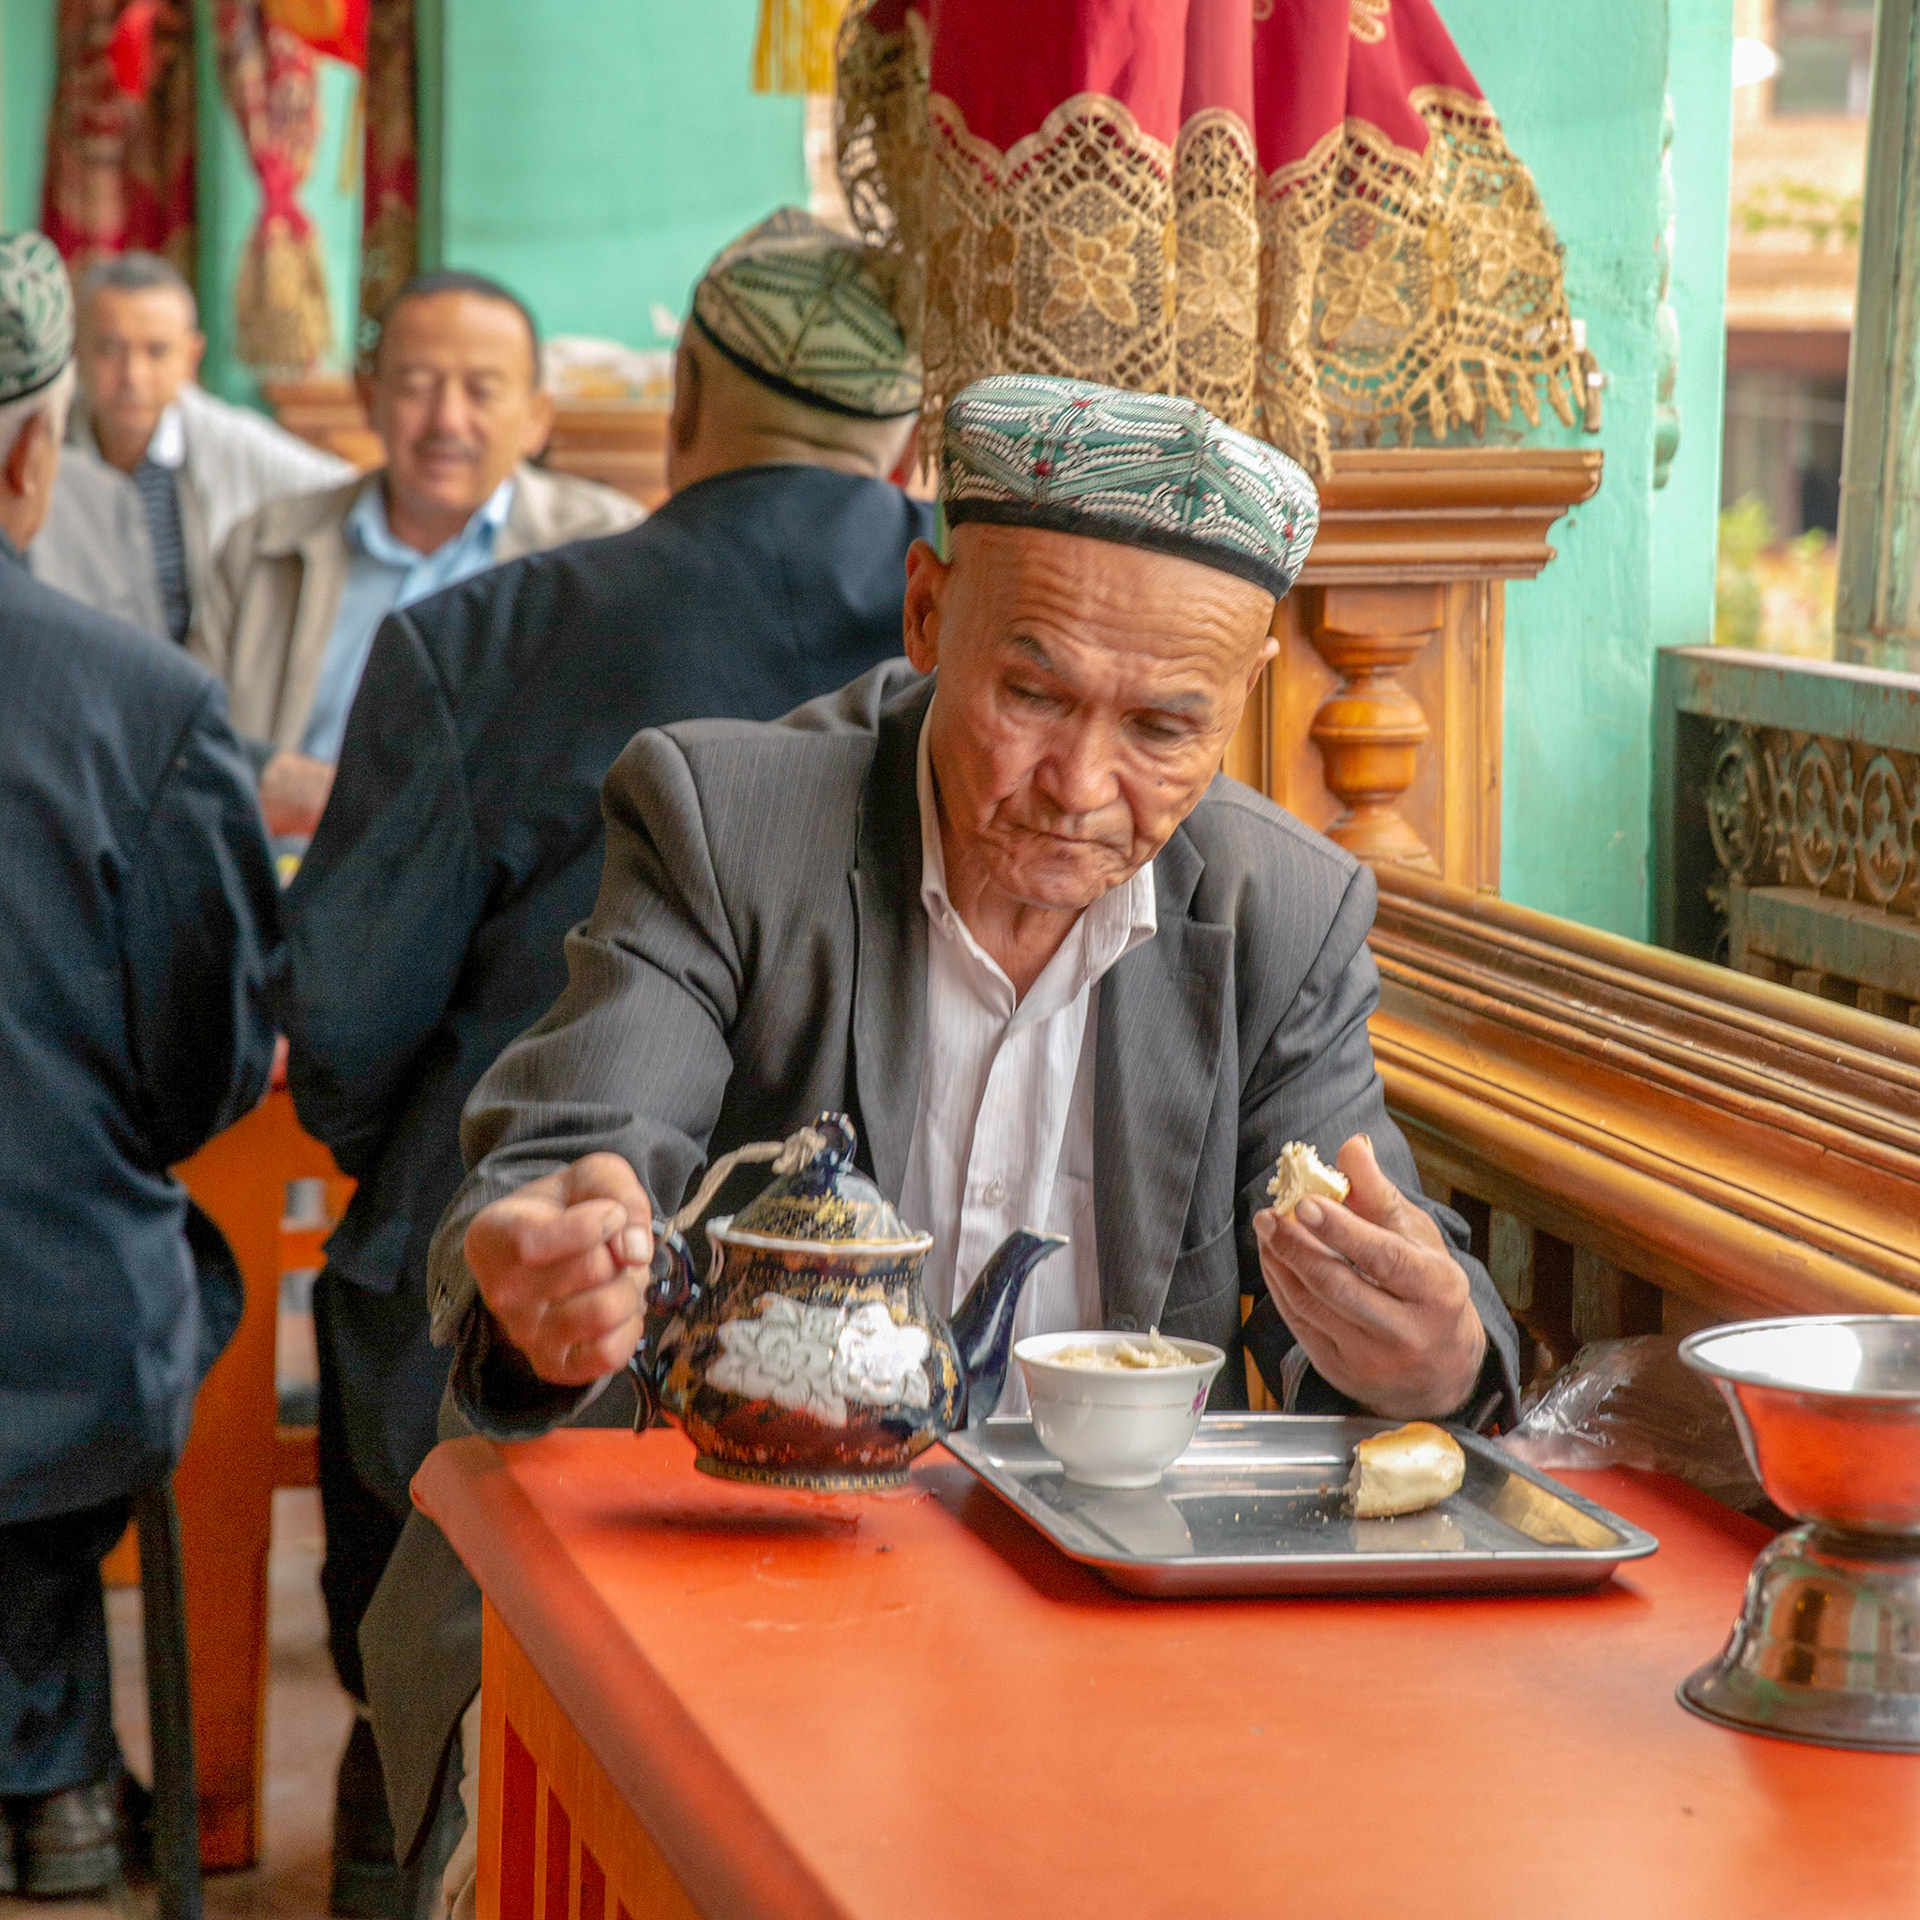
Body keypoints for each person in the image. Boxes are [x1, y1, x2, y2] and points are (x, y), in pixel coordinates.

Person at [361, 373, 1523, 1907]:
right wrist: (550, 1267)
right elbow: (578, 1142)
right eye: (1031, 694)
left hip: (1093, 1628)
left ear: (1240, 701)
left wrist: (1422, 1346)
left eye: (1166, 726)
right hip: (713, 1587)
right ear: (926, 616)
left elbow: (1385, 1295)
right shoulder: (729, 817)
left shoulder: (1281, 913)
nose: (1081, 787)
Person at [279, 208, 927, 1918]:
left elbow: (341, 1034)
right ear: (913, 447)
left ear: (686, 398)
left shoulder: (484, 637)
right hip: (906, 1367)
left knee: (431, 1717)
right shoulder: (979, 633)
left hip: (497, 1349)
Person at [0, 233, 279, 1897]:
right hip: (45, 1356)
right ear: (34, 457)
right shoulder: (144, 701)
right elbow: (207, 1072)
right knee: (134, 1271)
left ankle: (48, 1759)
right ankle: (50, 1770)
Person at [194, 269, 642, 842]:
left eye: (481, 390)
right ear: (367, 396)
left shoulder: (607, 553)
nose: (447, 421)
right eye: (416, 385)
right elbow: (192, 748)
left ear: (536, 418)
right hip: (276, 899)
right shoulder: (267, 546)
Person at [29, 250, 352, 642]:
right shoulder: (36, 449)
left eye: (157, 351)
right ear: (76, 351)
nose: (133, 375)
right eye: (111, 350)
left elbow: (346, 493)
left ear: (191, 357)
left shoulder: (233, 445)